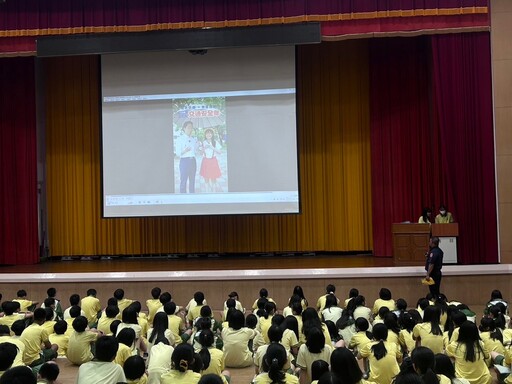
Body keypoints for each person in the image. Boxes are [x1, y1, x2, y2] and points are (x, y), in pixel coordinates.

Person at [176, 120, 200, 193]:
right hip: (184, 161)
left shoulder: (193, 139)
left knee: (192, 180)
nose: (190, 129)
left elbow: (195, 151)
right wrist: (184, 151)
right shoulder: (180, 139)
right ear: (184, 128)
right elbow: (177, 153)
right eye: (189, 127)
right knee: (183, 180)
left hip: (193, 161)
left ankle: (192, 197)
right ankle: (182, 198)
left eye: (192, 128)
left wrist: (197, 145)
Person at [199, 128, 223, 193]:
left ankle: (213, 191)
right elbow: (200, 153)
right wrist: (204, 148)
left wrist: (212, 147)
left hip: (213, 161)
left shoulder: (215, 142)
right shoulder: (203, 142)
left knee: (213, 177)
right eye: (207, 133)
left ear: (212, 134)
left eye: (210, 133)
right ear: (205, 135)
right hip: (205, 161)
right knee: (206, 177)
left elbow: (220, 152)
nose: (209, 134)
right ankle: (207, 191)